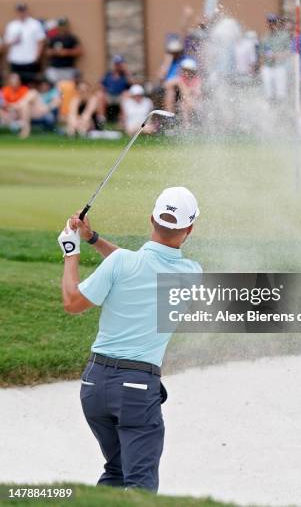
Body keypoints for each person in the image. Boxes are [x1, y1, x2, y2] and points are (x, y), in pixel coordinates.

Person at [58, 186, 201, 491]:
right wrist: (91, 241)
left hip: (93, 386)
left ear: (151, 219)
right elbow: (139, 265)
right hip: (136, 390)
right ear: (189, 229)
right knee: (140, 485)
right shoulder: (190, 274)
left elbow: (72, 301)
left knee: (117, 472)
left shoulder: (121, 264)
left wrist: (72, 251)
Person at [4, 3, 45, 84]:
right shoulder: (12, 25)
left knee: (30, 83)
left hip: (30, 59)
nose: (21, 13)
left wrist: (37, 57)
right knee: (15, 83)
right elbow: (6, 42)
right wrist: (13, 41)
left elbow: (40, 41)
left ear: (26, 11)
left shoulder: (35, 24)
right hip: (15, 59)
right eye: (19, 11)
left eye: (23, 10)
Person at [1, 72, 47, 137]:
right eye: (13, 80)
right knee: (24, 104)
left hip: (26, 112)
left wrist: (16, 106)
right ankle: (23, 128)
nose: (14, 82)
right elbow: (4, 105)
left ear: (19, 81)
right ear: (9, 81)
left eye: (16, 80)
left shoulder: (24, 89)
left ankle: (25, 129)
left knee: (27, 102)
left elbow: (28, 103)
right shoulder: (5, 90)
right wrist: (13, 107)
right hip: (11, 113)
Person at [259, 14, 291, 104]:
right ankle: (270, 112)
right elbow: (261, 55)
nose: (271, 24)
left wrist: (277, 55)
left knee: (281, 94)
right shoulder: (264, 38)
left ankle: (281, 112)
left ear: (277, 22)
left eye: (273, 21)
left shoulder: (284, 36)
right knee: (268, 93)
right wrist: (261, 68)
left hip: (280, 67)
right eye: (269, 22)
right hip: (268, 67)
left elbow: (289, 52)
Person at [165, 58, 201, 126]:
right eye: (184, 70)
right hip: (185, 101)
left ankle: (186, 124)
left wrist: (186, 89)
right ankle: (183, 123)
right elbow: (166, 85)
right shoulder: (180, 78)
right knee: (182, 103)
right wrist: (180, 84)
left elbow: (198, 92)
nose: (186, 73)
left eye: (188, 71)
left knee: (184, 104)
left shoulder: (196, 79)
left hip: (194, 101)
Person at [45, 18, 82, 84]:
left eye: (64, 25)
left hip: (68, 68)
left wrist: (67, 52)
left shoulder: (71, 38)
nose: (62, 27)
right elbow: (47, 52)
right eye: (61, 25)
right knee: (55, 88)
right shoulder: (53, 38)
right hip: (55, 68)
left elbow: (79, 51)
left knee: (67, 87)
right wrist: (56, 52)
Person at [99, 55, 132, 120]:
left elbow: (131, 85)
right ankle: (101, 118)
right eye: (117, 64)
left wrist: (126, 72)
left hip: (120, 96)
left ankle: (122, 119)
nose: (118, 66)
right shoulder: (108, 74)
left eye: (120, 64)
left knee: (126, 94)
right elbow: (101, 85)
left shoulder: (125, 75)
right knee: (100, 95)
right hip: (109, 95)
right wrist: (103, 91)